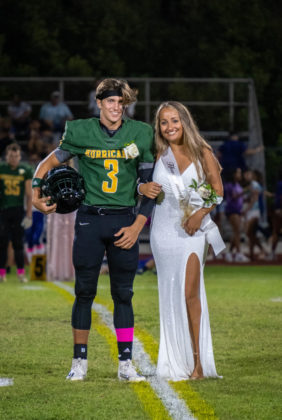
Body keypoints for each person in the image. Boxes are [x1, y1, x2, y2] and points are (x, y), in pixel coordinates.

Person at [32, 78, 161, 382]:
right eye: (111, 101)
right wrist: (36, 191)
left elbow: (150, 189)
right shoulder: (81, 130)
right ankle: (79, 362)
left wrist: (138, 225)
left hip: (125, 222)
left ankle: (126, 364)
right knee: (84, 291)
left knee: (123, 294)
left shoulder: (141, 134)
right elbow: (48, 161)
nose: (117, 107)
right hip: (89, 220)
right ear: (99, 103)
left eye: (122, 103)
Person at [150, 101, 225, 381]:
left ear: (184, 122)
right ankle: (173, 361)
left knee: (189, 294)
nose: (169, 127)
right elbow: (140, 182)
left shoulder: (201, 151)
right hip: (162, 232)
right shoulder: (158, 152)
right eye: (163, 122)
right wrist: (141, 187)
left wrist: (200, 214)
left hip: (192, 232)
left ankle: (198, 365)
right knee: (169, 295)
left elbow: (217, 191)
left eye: (174, 121)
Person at [0, 143, 33, 283]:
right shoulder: (1, 168)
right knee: (2, 243)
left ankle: (20, 273)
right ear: (6, 156)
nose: (13, 159)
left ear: (20, 157)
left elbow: (29, 194)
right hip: (3, 210)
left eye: (16, 156)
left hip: (18, 210)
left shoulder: (25, 170)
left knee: (18, 243)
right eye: (11, 156)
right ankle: (2, 273)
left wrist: (29, 214)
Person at [224, 168, 249, 262]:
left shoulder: (238, 185)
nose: (240, 175)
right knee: (237, 231)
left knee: (236, 232)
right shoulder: (229, 185)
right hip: (231, 210)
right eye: (238, 173)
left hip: (238, 211)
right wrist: (245, 190)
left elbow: (240, 199)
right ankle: (238, 253)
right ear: (233, 174)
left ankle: (229, 253)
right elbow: (234, 197)